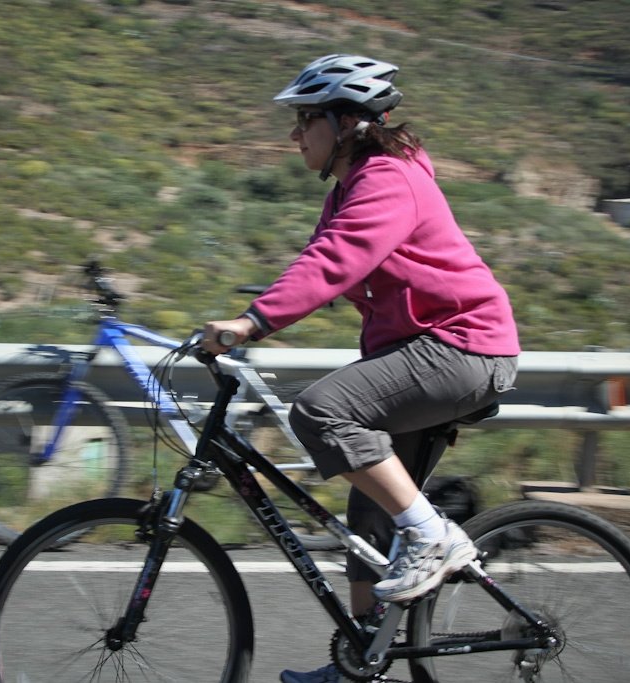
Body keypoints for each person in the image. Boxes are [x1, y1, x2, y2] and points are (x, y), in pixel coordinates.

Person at [201, 54, 520, 683]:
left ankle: (435, 537)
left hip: (465, 347)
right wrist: (255, 311)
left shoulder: (388, 179)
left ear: (346, 122)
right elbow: (321, 259)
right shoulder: (351, 188)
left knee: (323, 411)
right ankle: (362, 666)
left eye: (306, 119)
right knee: (372, 516)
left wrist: (252, 322)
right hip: (427, 351)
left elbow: (335, 262)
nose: (295, 133)